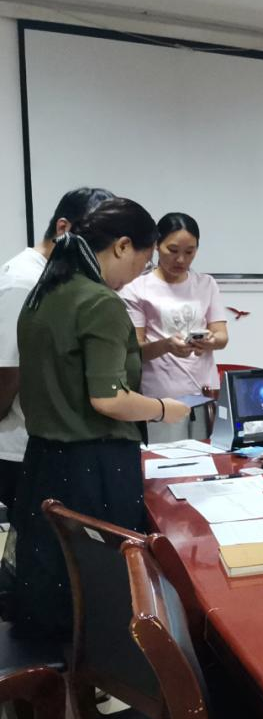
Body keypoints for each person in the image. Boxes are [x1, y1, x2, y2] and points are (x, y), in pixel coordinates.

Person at [13, 198, 189, 639]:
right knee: (106, 586)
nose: (137, 276)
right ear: (122, 246)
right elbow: (109, 399)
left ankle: (65, 663)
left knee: (58, 577)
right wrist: (165, 408)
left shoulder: (42, 296)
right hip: (94, 467)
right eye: (142, 263)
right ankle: (110, 667)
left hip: (44, 461)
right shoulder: (100, 302)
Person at [0, 187, 114, 512]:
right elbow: (8, 370)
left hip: (52, 442)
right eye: (94, 242)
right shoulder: (24, 282)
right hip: (22, 447)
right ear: (63, 228)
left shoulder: (58, 276)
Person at [120, 212, 229, 398]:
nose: (180, 260)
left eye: (189, 252)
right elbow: (135, 351)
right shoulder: (137, 288)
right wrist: (166, 345)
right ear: (157, 245)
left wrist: (210, 341)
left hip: (204, 390)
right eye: (172, 250)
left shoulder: (206, 284)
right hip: (159, 396)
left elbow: (222, 337)